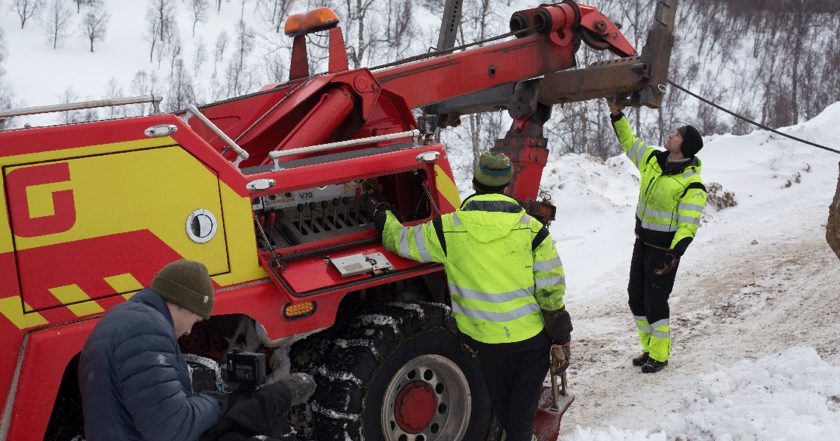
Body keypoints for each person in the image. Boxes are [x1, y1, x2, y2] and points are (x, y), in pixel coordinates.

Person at [369, 151, 572, 441]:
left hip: (486, 344)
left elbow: (397, 240)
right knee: (521, 419)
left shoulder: (447, 229)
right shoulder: (533, 231)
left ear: (475, 183)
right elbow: (551, 289)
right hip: (531, 344)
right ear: (507, 186)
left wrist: (380, 212)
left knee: (504, 413)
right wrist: (560, 333)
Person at [78, 259, 315, 441]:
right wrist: (214, 402)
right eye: (196, 318)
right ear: (183, 303)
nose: (190, 330)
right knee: (243, 417)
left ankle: (280, 395)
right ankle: (283, 394)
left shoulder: (120, 318)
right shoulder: (146, 330)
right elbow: (172, 429)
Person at [607, 99, 708, 373]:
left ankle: (660, 355)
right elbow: (629, 142)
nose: (671, 135)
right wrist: (617, 114)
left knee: (654, 301)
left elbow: (688, 225)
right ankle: (649, 347)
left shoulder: (692, 184)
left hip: (664, 252)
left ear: (684, 147)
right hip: (642, 244)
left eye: (677, 135)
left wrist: (674, 254)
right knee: (634, 298)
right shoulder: (653, 159)